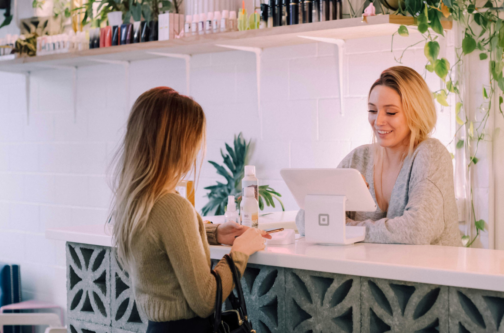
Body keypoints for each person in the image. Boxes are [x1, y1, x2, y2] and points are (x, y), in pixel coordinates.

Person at [109, 87, 271, 333]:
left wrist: (213, 234)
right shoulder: (172, 206)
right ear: (179, 144)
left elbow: (160, 239)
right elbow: (206, 300)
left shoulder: (135, 201)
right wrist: (240, 252)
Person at [296, 66, 462, 246]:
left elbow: (417, 230)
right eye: (372, 111)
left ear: (416, 112)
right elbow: (305, 221)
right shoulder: (359, 159)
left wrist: (346, 229)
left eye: (391, 112)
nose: (378, 121)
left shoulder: (430, 154)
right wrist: (338, 197)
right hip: (373, 272)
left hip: (430, 272)